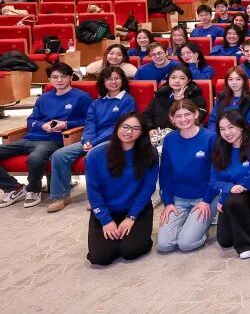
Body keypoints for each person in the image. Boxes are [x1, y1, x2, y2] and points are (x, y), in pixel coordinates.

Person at [0, 63, 92, 208]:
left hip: (54, 140)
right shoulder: (44, 98)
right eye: (55, 77)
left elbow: (89, 120)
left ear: (71, 78)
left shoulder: (82, 97)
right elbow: (31, 120)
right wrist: (42, 125)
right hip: (31, 137)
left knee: (35, 158)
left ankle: (34, 190)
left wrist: (66, 124)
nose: (59, 80)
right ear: (49, 80)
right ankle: (14, 188)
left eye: (63, 76)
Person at [47, 67, 136, 213]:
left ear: (122, 81)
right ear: (103, 82)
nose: (113, 82)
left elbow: (119, 126)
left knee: (92, 156)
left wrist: (93, 143)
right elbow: (90, 123)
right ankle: (61, 196)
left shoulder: (127, 100)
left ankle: (96, 198)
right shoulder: (97, 102)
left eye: (117, 78)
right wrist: (88, 140)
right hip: (92, 140)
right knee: (59, 155)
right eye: (109, 79)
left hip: (115, 140)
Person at [85, 112, 158, 266]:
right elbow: (93, 191)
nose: (129, 132)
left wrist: (131, 217)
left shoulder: (149, 153)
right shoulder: (95, 155)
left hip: (136, 210)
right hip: (106, 211)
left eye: (135, 128)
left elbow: (148, 187)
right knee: (100, 258)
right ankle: (115, 240)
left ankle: (131, 238)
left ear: (141, 132)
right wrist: (106, 220)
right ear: (117, 127)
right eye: (125, 126)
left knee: (130, 252)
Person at [157, 99, 217, 253]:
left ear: (196, 114)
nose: (183, 119)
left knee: (186, 244)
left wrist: (206, 201)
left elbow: (217, 173)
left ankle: (199, 229)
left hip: (204, 198)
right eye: (178, 116)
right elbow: (165, 173)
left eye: (187, 114)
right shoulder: (170, 139)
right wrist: (168, 202)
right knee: (164, 245)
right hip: (179, 199)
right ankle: (189, 224)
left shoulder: (210, 137)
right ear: (172, 119)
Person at [209, 110, 250, 259]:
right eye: (222, 129)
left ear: (241, 126)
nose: (227, 132)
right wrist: (229, 189)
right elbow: (214, 181)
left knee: (234, 201)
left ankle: (246, 245)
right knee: (225, 241)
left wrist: (224, 198)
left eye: (231, 127)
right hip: (231, 193)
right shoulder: (220, 148)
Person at [143, 66, 208, 134]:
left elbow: (199, 117)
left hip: (184, 133)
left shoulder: (195, 95)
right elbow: (147, 115)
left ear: (188, 80)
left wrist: (181, 101)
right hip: (159, 134)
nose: (177, 81)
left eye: (182, 78)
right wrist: (151, 128)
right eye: (173, 77)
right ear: (168, 79)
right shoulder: (161, 94)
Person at [207, 67, 250, 132]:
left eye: (238, 79)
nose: (234, 82)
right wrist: (214, 134)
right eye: (230, 79)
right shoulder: (222, 98)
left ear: (244, 81)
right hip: (220, 134)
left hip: (241, 136)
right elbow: (213, 121)